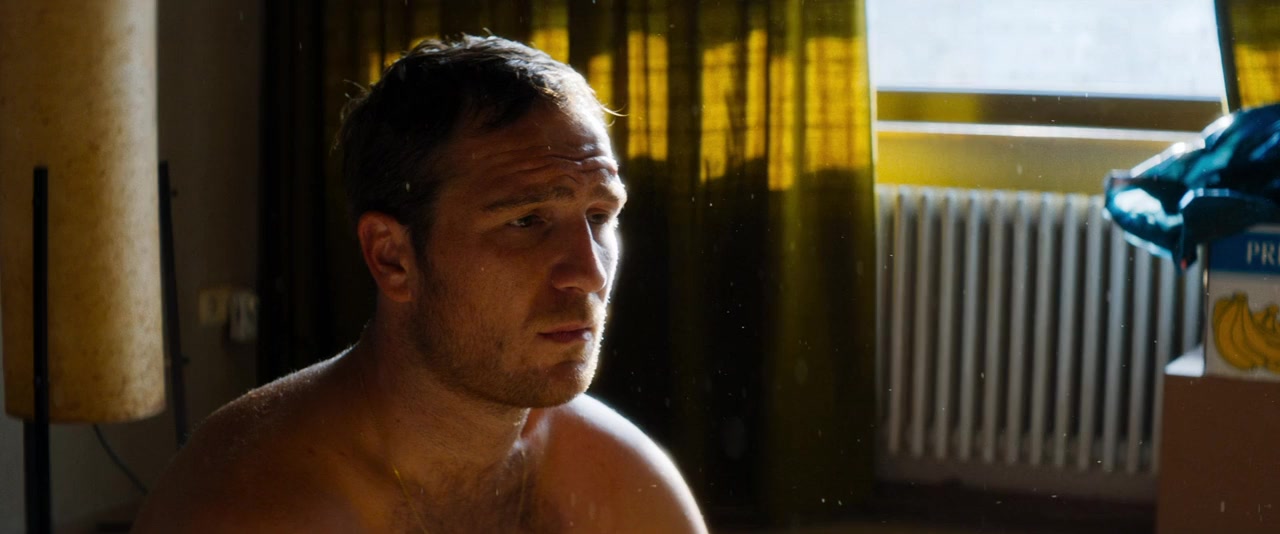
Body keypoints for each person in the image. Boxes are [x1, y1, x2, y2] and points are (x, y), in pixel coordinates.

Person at [133, 35, 706, 533]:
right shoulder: (254, 508)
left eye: (600, 216)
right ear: (392, 258)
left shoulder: (618, 481)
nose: (590, 272)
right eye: (527, 221)